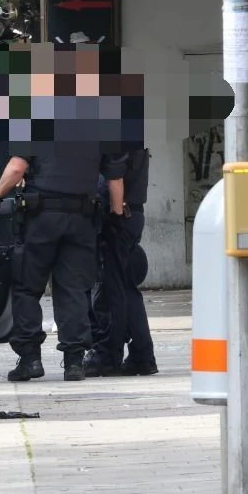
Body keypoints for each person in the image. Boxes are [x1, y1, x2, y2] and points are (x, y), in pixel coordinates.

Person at [0, 149, 126, 382]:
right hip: (82, 219)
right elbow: (114, 178)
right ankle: (74, 363)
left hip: (40, 217)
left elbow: (16, 168)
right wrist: (117, 217)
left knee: (27, 287)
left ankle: (30, 359)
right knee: (73, 290)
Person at [84, 148, 157, 377]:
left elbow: (114, 176)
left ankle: (108, 355)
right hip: (130, 212)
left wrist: (114, 218)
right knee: (125, 288)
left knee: (114, 289)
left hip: (119, 212)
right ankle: (142, 354)